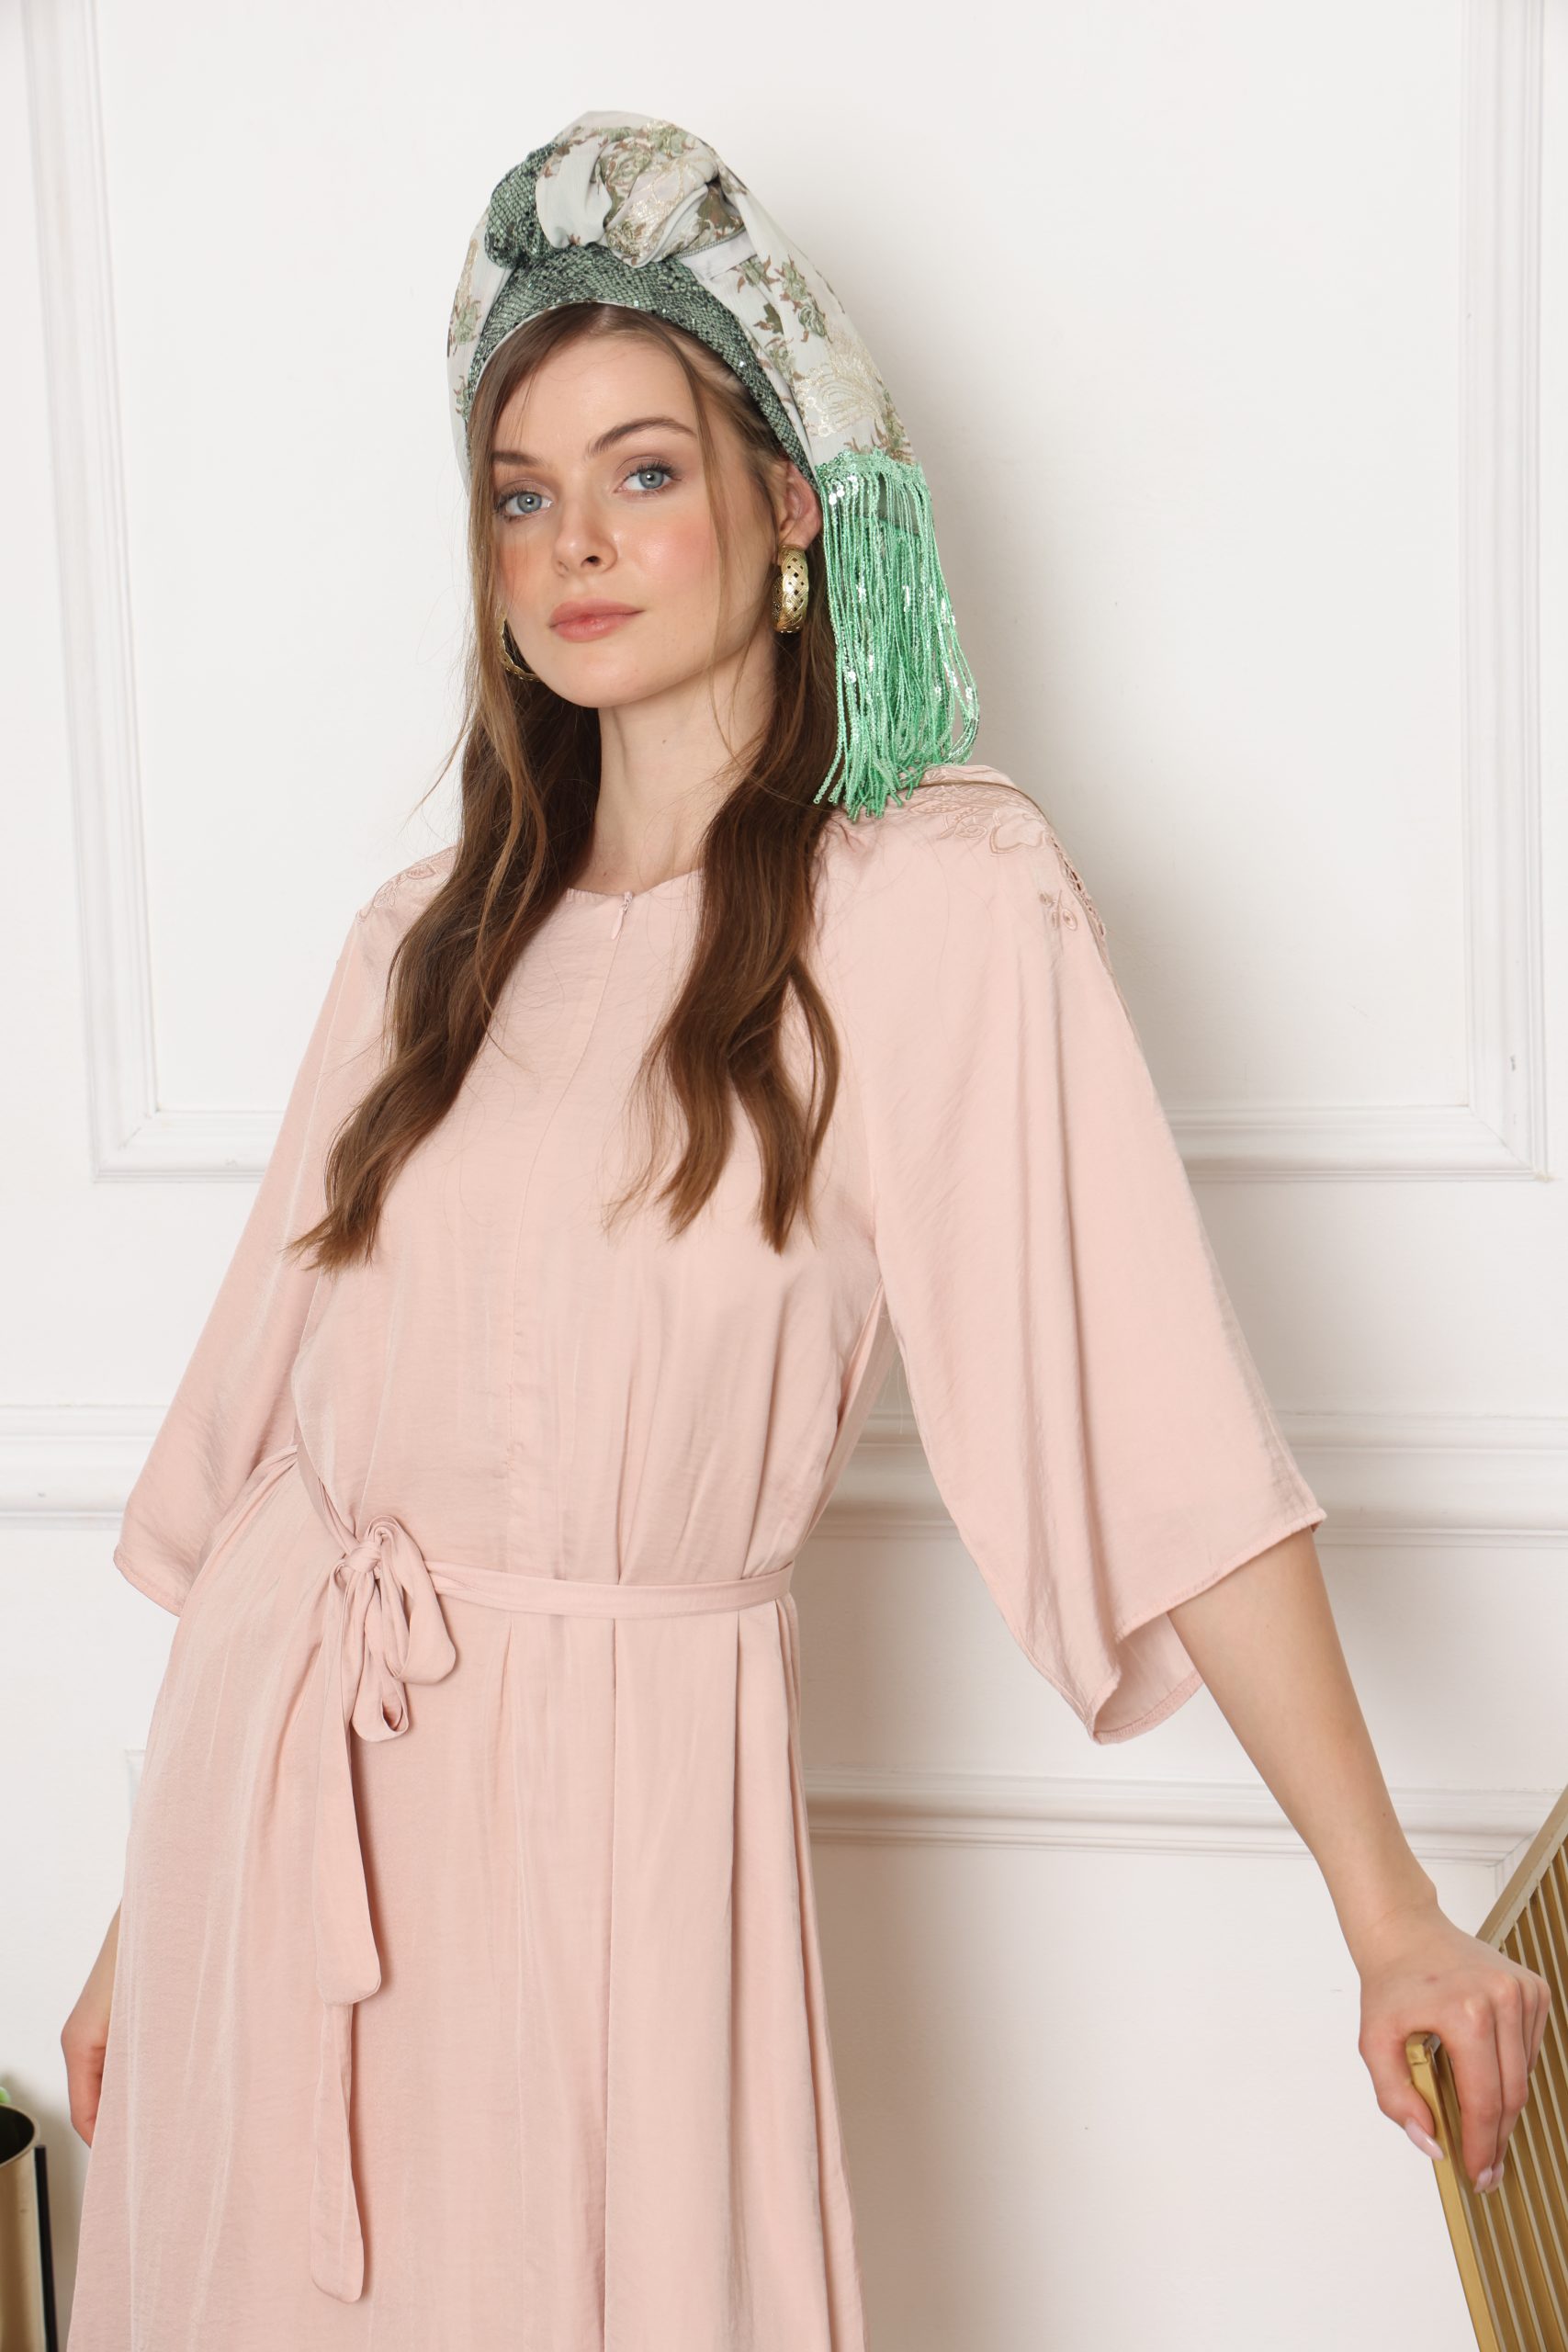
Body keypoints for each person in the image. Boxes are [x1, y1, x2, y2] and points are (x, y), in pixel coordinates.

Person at [61, 109, 1547, 2348]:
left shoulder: (928, 907)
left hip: (609, 1835)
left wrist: (1387, 1909)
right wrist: (141, 1928)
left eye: (641, 470)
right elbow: (282, 1449)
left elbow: (1152, 1417)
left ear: (786, 504)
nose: (573, 542)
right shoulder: (416, 945)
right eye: (519, 493)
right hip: (270, 1856)